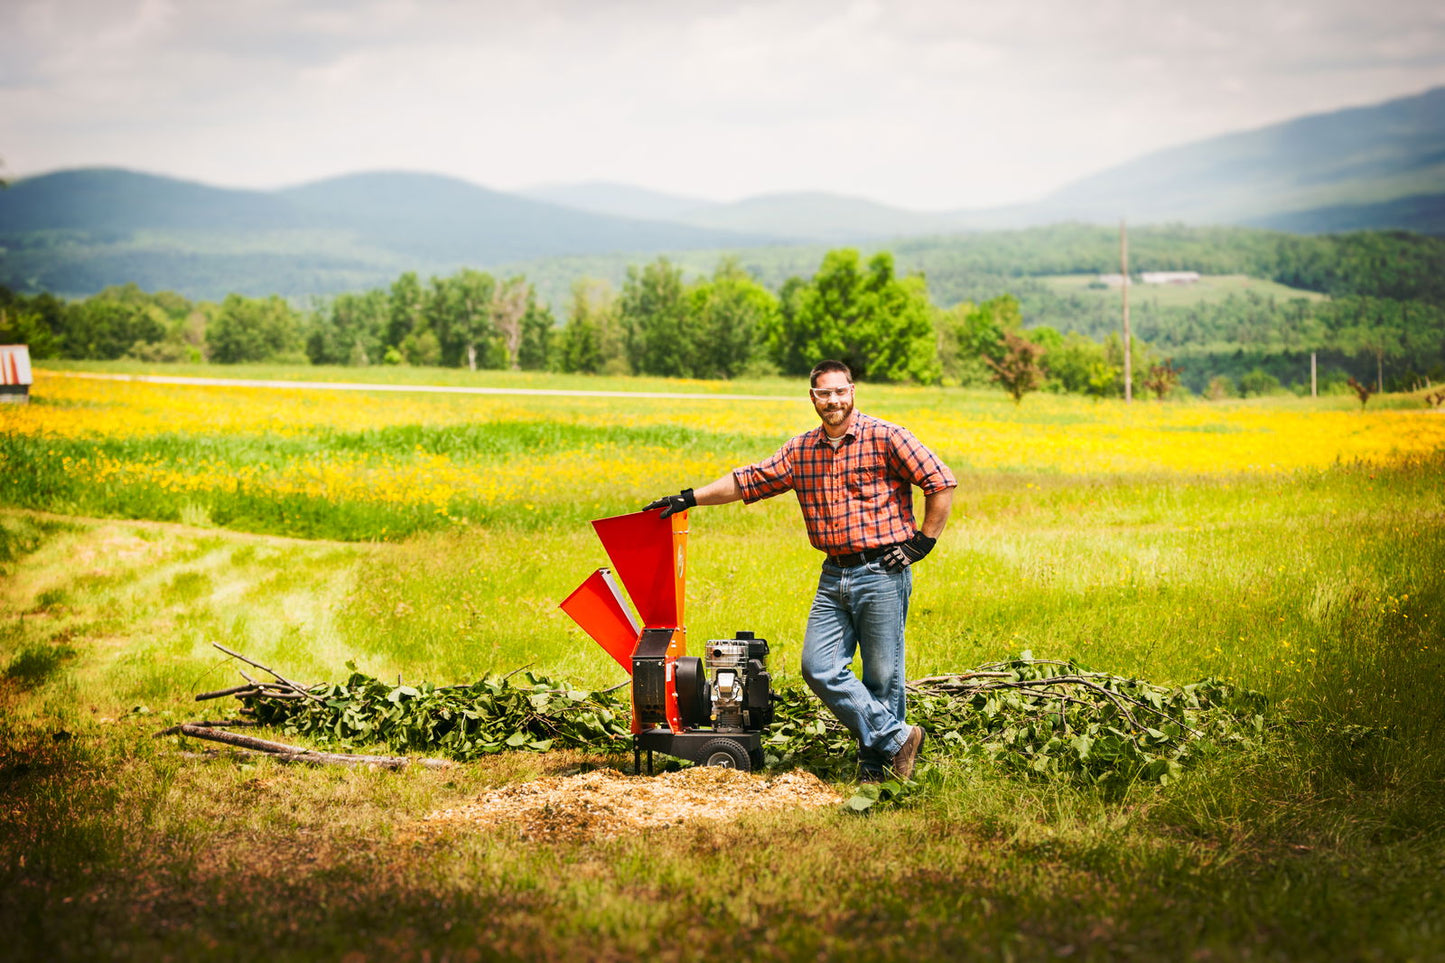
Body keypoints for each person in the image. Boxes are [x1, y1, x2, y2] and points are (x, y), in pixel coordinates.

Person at [644, 360, 956, 780]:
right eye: (824, 394)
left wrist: (921, 543)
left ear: (852, 391)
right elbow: (747, 481)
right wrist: (688, 498)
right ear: (813, 398)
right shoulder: (801, 450)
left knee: (883, 677)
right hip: (834, 573)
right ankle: (898, 737)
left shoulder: (886, 436)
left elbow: (940, 481)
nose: (834, 401)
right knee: (818, 666)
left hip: (883, 569)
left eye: (840, 392)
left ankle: (876, 768)